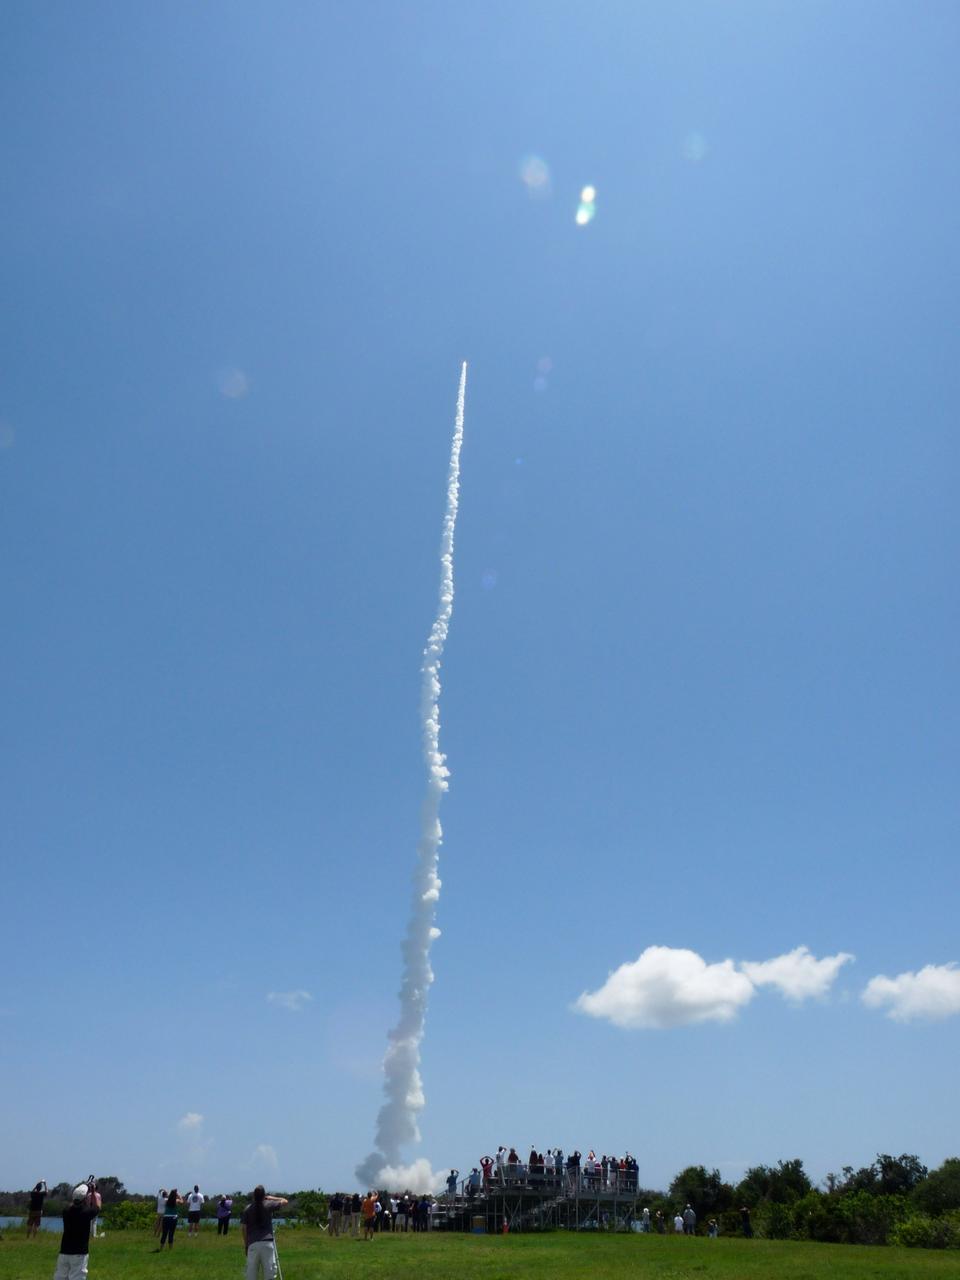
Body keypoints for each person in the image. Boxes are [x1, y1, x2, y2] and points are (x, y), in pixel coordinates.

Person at [52, 1184, 100, 1280]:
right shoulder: (87, 1212)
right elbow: (97, 1206)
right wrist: (93, 1191)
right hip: (79, 1252)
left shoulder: (66, 1211)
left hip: (64, 1252)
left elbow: (72, 1205)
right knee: (77, 1277)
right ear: (85, 1199)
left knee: (60, 1277)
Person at [241, 1186, 288, 1280]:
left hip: (253, 1243)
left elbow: (243, 1228)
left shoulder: (248, 1209)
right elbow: (285, 1201)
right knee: (269, 1273)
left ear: (254, 1196)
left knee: (251, 1274)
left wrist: (246, 1245)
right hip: (267, 1243)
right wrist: (271, 1198)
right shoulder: (268, 1204)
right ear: (264, 1196)